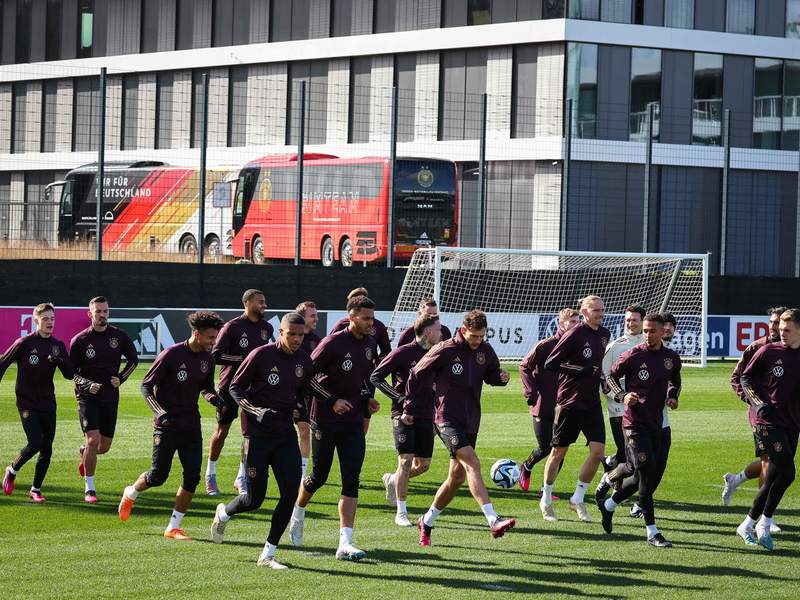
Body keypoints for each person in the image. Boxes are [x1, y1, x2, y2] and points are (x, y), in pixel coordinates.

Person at [210, 313, 313, 569]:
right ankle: (224, 513)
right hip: (256, 437)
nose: (297, 339)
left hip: (285, 436)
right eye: (292, 334)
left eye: (300, 335)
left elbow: (303, 392)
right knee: (254, 500)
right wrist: (257, 411)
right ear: (281, 332)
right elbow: (235, 387)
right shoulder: (260, 355)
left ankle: (268, 553)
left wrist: (299, 409)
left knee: (290, 494)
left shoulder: (304, 360)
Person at [407, 310, 514, 545]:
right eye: (474, 336)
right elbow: (416, 374)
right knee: (473, 463)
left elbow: (492, 374)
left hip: (470, 419)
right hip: (445, 418)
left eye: (481, 336)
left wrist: (501, 378)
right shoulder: (444, 349)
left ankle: (426, 521)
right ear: (463, 330)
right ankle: (493, 520)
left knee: (456, 479)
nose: (477, 340)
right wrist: (408, 406)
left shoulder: (485, 350)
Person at [118, 310, 226, 540]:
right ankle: (131, 492)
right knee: (158, 477)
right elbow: (146, 385)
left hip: (191, 425)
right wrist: (160, 412)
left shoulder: (208, 359)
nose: (213, 342)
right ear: (196, 334)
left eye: (215, 338)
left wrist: (216, 400)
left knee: (192, 477)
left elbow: (206, 389)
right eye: (210, 337)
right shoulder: (171, 355)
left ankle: (173, 527)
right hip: (166, 426)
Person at [288, 295, 380, 561]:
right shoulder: (332, 343)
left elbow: (363, 378)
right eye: (365, 318)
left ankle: (345, 542)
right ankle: (298, 513)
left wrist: (367, 398)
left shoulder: (370, 343)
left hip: (353, 420)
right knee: (319, 476)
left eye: (372, 319)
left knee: (352, 479)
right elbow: (306, 377)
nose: (370, 323)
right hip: (325, 420)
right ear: (351, 317)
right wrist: (332, 400)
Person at [597, 313, 682, 547]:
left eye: (652, 331)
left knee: (647, 473)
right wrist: (623, 395)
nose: (647, 335)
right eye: (645, 331)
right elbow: (611, 377)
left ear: (662, 331)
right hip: (634, 424)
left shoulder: (671, 358)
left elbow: (675, 381)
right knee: (645, 473)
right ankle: (652, 532)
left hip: (659, 425)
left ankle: (608, 505)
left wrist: (673, 396)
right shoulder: (633, 355)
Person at [2, 303, 93, 502]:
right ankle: (12, 469)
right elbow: (3, 364)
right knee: (35, 443)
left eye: (52, 319)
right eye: (45, 319)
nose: (49, 322)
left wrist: (58, 360)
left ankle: (35, 489)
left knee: (47, 449)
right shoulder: (24, 343)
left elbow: (70, 374)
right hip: (26, 402)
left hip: (48, 403)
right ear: (36, 321)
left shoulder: (58, 345)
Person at [541, 295, 610, 523]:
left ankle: (577, 499)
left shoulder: (604, 334)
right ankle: (546, 499)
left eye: (602, 309)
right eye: (596, 310)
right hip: (569, 403)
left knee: (598, 453)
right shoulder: (574, 334)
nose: (601, 314)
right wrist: (582, 370)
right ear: (585, 312)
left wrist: (602, 380)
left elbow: (597, 367)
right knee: (558, 453)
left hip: (592, 404)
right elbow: (551, 363)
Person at [736, 308, 800, 550]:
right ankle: (764, 523)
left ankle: (747, 525)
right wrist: (758, 403)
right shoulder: (767, 351)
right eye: (781, 329)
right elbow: (744, 378)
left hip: (792, 422)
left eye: (787, 330)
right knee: (788, 473)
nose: (782, 333)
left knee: (773, 475)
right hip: (768, 422)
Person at [371, 313, 442, 527]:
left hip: (427, 414)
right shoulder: (403, 353)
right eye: (438, 330)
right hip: (403, 415)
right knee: (406, 460)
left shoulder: (437, 352)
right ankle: (401, 512)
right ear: (428, 332)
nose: (441, 333)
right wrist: (399, 398)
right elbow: (376, 376)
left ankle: (393, 479)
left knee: (423, 466)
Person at [723, 307, 786, 532]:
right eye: (771, 322)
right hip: (762, 416)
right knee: (769, 461)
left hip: (787, 416)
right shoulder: (757, 348)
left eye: (778, 323)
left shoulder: (792, 349)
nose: (773, 327)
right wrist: (754, 403)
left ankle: (735, 479)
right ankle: (765, 518)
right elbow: (737, 378)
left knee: (780, 462)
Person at [69, 296, 138, 502]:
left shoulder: (120, 336)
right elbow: (71, 372)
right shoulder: (80, 340)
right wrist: (86, 385)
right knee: (92, 440)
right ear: (89, 314)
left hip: (110, 397)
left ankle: (85, 452)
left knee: (103, 447)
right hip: (87, 397)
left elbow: (133, 360)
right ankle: (89, 488)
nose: (102, 315)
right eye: (98, 311)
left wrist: (121, 378)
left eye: (105, 311)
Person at [205, 289, 273, 496]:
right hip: (230, 387)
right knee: (222, 432)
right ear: (248, 303)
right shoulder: (232, 327)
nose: (265, 305)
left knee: (250, 435)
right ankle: (210, 474)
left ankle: (241, 476)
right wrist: (246, 360)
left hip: (254, 389)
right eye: (261, 302)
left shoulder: (267, 328)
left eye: (265, 301)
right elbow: (216, 355)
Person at [518, 308, 580, 495]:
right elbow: (524, 366)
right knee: (546, 447)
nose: (576, 325)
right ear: (561, 324)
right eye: (572, 321)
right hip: (543, 405)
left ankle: (545, 490)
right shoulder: (546, 345)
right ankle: (527, 466)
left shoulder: (577, 347)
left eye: (578, 321)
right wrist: (531, 391)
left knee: (560, 449)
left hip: (566, 407)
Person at [330, 288, 389, 436]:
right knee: (339, 417)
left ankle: (358, 442)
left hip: (367, 378)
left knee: (364, 418)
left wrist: (377, 363)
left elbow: (386, 351)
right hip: (342, 379)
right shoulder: (340, 326)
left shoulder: (378, 326)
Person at [600, 305, 646, 471]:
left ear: (643, 321)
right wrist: (619, 396)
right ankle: (614, 485)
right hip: (618, 406)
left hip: (642, 407)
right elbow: (602, 377)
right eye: (628, 320)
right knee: (625, 451)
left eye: (634, 320)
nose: (631, 323)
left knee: (636, 451)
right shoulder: (615, 347)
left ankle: (609, 465)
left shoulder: (649, 345)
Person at [295, 301, 320, 481]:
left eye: (316, 315)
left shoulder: (317, 342)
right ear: (302, 318)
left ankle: (301, 474)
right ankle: (243, 474)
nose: (316, 319)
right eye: (312, 316)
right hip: (283, 393)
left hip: (305, 395)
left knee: (305, 431)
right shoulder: (289, 338)